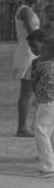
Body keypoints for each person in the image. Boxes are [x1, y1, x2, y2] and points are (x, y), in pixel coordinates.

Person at [12, 0, 43, 137]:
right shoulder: (25, 11)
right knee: (26, 92)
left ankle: (27, 125)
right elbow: (33, 33)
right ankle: (22, 127)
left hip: (28, 50)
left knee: (31, 91)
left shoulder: (27, 10)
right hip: (28, 52)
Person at [31, 36, 54, 178]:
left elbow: (34, 82)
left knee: (41, 131)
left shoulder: (42, 65)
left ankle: (48, 167)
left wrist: (36, 97)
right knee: (50, 133)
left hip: (46, 103)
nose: (40, 53)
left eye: (43, 51)